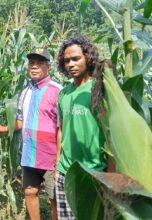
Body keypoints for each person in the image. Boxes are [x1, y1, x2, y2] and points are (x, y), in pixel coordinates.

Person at [0, 48, 62, 220]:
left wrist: (60, 158)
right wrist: (3, 129)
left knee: (54, 198)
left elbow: (63, 127)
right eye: (32, 63)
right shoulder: (25, 92)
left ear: (48, 67)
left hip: (50, 157)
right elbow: (20, 121)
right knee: (30, 192)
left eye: (39, 63)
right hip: (30, 153)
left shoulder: (58, 91)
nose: (34, 67)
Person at [55, 36, 114, 219]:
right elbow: (62, 129)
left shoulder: (99, 90)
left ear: (88, 58)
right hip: (66, 173)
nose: (70, 64)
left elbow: (112, 133)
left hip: (94, 173)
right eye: (66, 61)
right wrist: (58, 165)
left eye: (76, 59)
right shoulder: (64, 93)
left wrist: (111, 175)